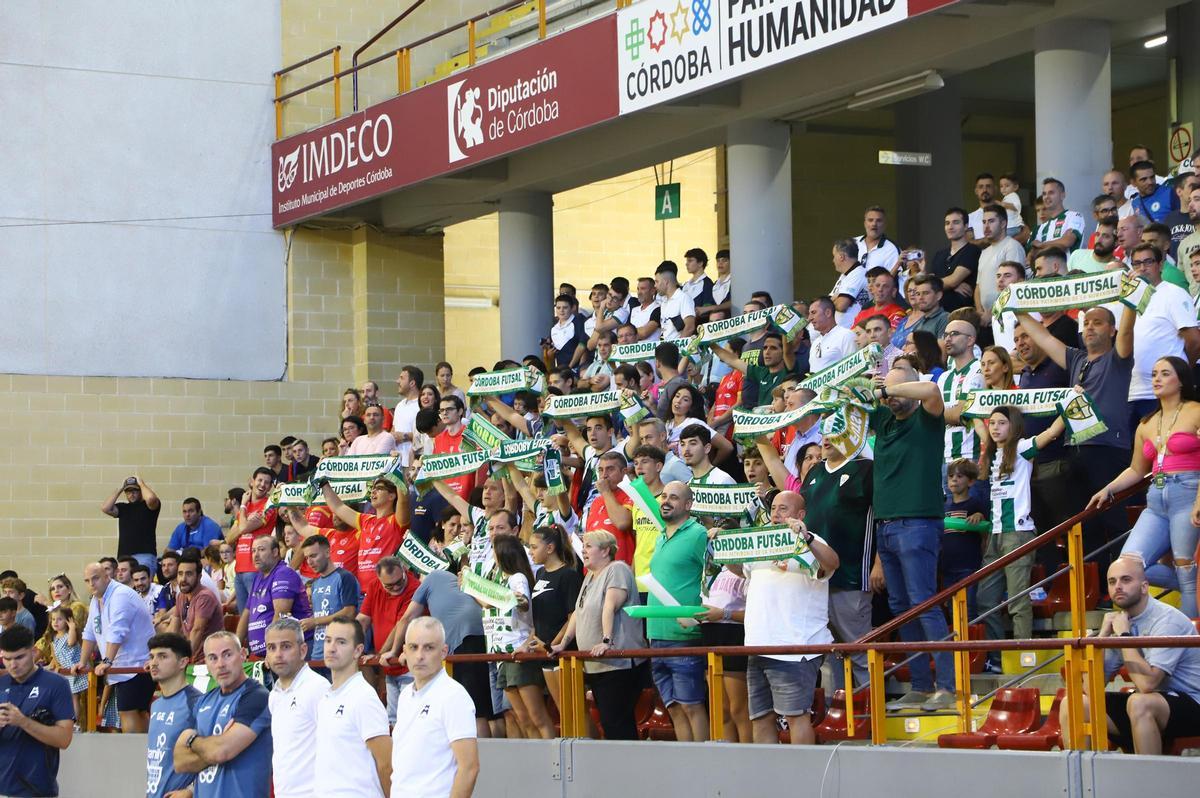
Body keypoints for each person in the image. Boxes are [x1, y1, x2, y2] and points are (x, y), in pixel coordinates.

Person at [1016, 306, 1135, 580]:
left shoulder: (1118, 357)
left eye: (1098, 323)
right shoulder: (1077, 359)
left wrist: (1129, 304)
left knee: (1113, 521)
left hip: (1108, 449)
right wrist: (1018, 308)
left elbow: (1128, 330)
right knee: (1084, 525)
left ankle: (1120, 585)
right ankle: (1094, 588)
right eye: (1087, 323)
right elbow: (1044, 338)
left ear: (1112, 330)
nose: (1090, 327)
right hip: (1074, 451)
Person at [870, 363, 957, 710]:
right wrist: (873, 386)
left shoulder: (927, 419)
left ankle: (947, 687)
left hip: (918, 523)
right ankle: (921, 685)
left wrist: (888, 389)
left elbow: (933, 393)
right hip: (887, 526)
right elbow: (850, 397)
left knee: (923, 603)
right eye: (887, 393)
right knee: (901, 608)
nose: (889, 399)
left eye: (896, 392)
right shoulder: (886, 420)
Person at [1093, 356, 1200, 619]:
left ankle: (1189, 646)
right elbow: (1136, 470)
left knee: (1185, 567)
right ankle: (1192, 585)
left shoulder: (1196, 410)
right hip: (1156, 499)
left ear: (1181, 379)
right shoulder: (1146, 422)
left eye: (1164, 374)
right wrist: (1109, 488)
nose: (1157, 379)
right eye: (1154, 374)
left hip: (1188, 491)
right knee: (1128, 565)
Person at [1060, 556, 1200, 755]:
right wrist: (1102, 638)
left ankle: (1147, 782)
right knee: (1073, 704)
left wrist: (1124, 637)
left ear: (1144, 587)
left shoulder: (1167, 621)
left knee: (1139, 702)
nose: (1118, 587)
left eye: (1126, 580)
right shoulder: (1121, 622)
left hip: (1193, 703)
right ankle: (1082, 782)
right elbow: (1090, 689)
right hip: (1154, 704)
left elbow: (1147, 684)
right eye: (1112, 581)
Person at [730, 495, 841, 744]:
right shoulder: (763, 540)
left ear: (800, 515)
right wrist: (724, 549)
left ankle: (803, 777)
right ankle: (769, 778)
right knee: (760, 718)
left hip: (794, 647)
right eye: (773, 508)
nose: (776, 513)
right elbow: (742, 569)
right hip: (758, 644)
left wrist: (808, 537)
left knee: (796, 716)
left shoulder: (810, 541)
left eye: (783, 508)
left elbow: (833, 563)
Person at [976, 407, 1066, 671]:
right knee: (984, 599)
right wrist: (971, 412)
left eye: (1001, 423)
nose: (994, 428)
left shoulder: (1023, 448)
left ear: (1013, 426)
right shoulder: (992, 453)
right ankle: (996, 658)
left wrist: (1070, 405)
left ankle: (1023, 659)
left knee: (1017, 600)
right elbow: (977, 427)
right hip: (994, 535)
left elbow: (1050, 434)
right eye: (991, 423)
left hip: (1018, 533)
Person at [796, 424, 875, 692]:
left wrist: (880, 563)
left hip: (850, 575)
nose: (826, 439)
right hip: (813, 578)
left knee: (858, 647)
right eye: (825, 433)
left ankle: (872, 711)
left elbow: (883, 519)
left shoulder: (866, 469)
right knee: (828, 653)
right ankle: (837, 711)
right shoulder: (815, 472)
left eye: (835, 432)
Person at [551, 530, 648, 740]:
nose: (583, 551)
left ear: (605, 550)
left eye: (588, 546)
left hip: (618, 664)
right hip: (595, 664)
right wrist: (564, 643)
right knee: (608, 721)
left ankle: (629, 768)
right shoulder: (589, 577)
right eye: (583, 546)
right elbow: (578, 612)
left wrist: (606, 641)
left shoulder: (617, 569)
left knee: (616, 722)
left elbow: (610, 606)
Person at [645, 481, 709, 740]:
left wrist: (700, 616)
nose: (666, 501)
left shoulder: (698, 534)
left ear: (688, 505)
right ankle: (688, 764)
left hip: (684, 638)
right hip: (655, 636)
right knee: (674, 709)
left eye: (673, 497)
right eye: (663, 497)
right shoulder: (661, 536)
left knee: (692, 706)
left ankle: (705, 764)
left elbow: (713, 577)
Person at [173, 632, 272, 798]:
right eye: (213, 658)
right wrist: (216, 747)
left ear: (242, 655)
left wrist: (191, 740)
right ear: (206, 662)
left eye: (227, 655)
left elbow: (220, 752)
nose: (220, 664)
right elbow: (180, 762)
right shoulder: (204, 701)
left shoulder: (256, 696)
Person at [392, 617, 480, 798]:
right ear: (404, 651)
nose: (420, 656)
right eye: (413, 647)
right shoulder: (405, 695)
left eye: (429, 647)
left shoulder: (453, 696)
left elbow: (469, 768)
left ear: (444, 652)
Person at [478, 534, 554, 739]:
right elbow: (487, 604)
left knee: (536, 716)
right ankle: (536, 762)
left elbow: (523, 602)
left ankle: (553, 763)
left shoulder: (517, 578)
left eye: (493, 552)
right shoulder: (498, 580)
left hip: (518, 649)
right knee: (522, 718)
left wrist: (513, 599)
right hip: (500, 652)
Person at [311, 618, 392, 798]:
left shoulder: (363, 698)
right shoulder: (325, 697)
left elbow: (386, 764)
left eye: (341, 642)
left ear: (358, 651)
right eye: (328, 640)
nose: (331, 648)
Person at [75, 561, 156, 732]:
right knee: (136, 713)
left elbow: (118, 631)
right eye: (87, 580)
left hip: (136, 665)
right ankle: (142, 753)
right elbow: (90, 632)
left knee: (129, 712)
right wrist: (82, 662)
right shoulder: (96, 600)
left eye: (95, 578)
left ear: (107, 576)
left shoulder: (121, 595)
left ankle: (135, 754)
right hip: (121, 667)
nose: (91, 584)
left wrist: (106, 661)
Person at [1127, 243, 1200, 430]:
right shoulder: (1129, 297)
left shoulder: (1173, 293)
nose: (1142, 268)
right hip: (1134, 391)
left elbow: (1194, 340)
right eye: (1136, 264)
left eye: (1148, 262)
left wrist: (1181, 370)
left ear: (1160, 265)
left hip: (1164, 394)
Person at [0, 625, 75, 798]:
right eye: (7, 658)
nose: (13, 665)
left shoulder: (56, 684)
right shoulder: (1, 684)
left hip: (36, 791)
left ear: (33, 652)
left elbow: (64, 739)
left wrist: (23, 722)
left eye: (19, 657)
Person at [266, 616, 329, 798]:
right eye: (272, 648)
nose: (278, 654)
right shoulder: (274, 695)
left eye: (286, 646)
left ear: (303, 650)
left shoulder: (318, 688)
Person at [525, 524, 582, 719]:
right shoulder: (540, 574)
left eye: (534, 547)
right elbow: (538, 617)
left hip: (562, 652)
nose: (530, 552)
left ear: (549, 548)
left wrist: (553, 644)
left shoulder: (568, 575)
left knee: (575, 711)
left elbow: (572, 617)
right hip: (544, 651)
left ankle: (590, 748)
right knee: (562, 710)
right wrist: (528, 643)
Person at [357, 557, 420, 724]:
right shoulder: (373, 586)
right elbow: (362, 620)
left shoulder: (414, 588)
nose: (397, 587)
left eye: (400, 581)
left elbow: (402, 623)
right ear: (379, 579)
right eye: (389, 586)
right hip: (390, 666)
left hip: (408, 666)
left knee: (408, 720)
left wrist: (379, 654)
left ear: (404, 571)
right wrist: (353, 647)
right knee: (392, 720)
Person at [145, 632, 201, 798]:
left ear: (183, 662)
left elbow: (215, 755)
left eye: (162, 656)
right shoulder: (155, 705)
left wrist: (191, 791)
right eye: (151, 656)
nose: (154, 663)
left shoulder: (197, 702)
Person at [237, 534, 312, 658]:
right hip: (267, 654)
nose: (256, 555)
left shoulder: (283, 573)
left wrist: (271, 649)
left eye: (261, 550)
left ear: (275, 552)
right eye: (253, 551)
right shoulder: (258, 577)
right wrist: (236, 645)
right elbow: (247, 612)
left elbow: (281, 614)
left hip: (285, 653)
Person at [295, 530, 360, 667]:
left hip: (339, 652)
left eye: (313, 555)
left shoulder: (345, 577)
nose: (310, 561)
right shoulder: (315, 584)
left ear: (328, 553)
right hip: (318, 652)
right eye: (307, 557)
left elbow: (349, 612)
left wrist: (315, 622)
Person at [227, 467, 278, 613]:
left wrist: (242, 507)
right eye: (260, 480)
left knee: (258, 614)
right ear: (252, 481)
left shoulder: (269, 505)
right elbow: (229, 539)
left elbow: (242, 529)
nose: (262, 485)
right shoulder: (248, 507)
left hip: (256, 569)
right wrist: (245, 519)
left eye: (267, 483)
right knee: (244, 616)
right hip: (240, 570)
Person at [163, 553, 224, 656]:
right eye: (180, 574)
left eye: (189, 574)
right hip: (192, 658)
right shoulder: (181, 596)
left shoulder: (205, 597)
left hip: (208, 659)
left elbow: (197, 630)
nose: (183, 579)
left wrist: (184, 659)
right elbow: (173, 629)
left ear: (199, 576)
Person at [101, 475, 161, 573]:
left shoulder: (149, 507)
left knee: (142, 586)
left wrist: (141, 484)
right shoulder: (123, 508)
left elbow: (151, 499)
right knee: (125, 588)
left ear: (140, 491)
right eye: (128, 491)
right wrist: (120, 488)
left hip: (144, 556)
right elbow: (105, 508)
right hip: (124, 558)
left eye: (135, 491)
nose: (131, 494)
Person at [927, 207, 981, 312]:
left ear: (966, 226)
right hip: (937, 313)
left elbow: (953, 280)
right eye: (947, 223)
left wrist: (950, 283)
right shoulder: (939, 254)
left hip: (962, 314)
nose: (950, 227)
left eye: (955, 222)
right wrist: (953, 286)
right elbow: (930, 282)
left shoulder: (972, 251)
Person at [1030, 177, 1085, 255]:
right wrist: (1059, 241)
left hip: (1068, 267)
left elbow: (1067, 242)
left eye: (1051, 193)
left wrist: (1042, 245)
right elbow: (1035, 252)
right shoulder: (1042, 227)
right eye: (1044, 194)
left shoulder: (1074, 216)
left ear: (1062, 195)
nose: (1046, 197)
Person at [807, 296, 856, 372]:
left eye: (813, 313)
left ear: (828, 313)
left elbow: (854, 369)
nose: (810, 318)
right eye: (809, 314)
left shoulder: (846, 335)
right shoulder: (815, 343)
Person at [829, 238, 871, 326]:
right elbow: (829, 300)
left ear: (841, 257)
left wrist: (835, 300)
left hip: (847, 331)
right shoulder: (845, 275)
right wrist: (834, 299)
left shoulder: (859, 274)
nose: (833, 260)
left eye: (834, 256)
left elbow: (841, 305)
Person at [655, 260, 697, 341]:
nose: (655, 285)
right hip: (667, 349)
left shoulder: (683, 298)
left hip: (678, 351)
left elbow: (690, 327)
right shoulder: (664, 301)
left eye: (657, 281)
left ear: (666, 282)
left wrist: (678, 348)